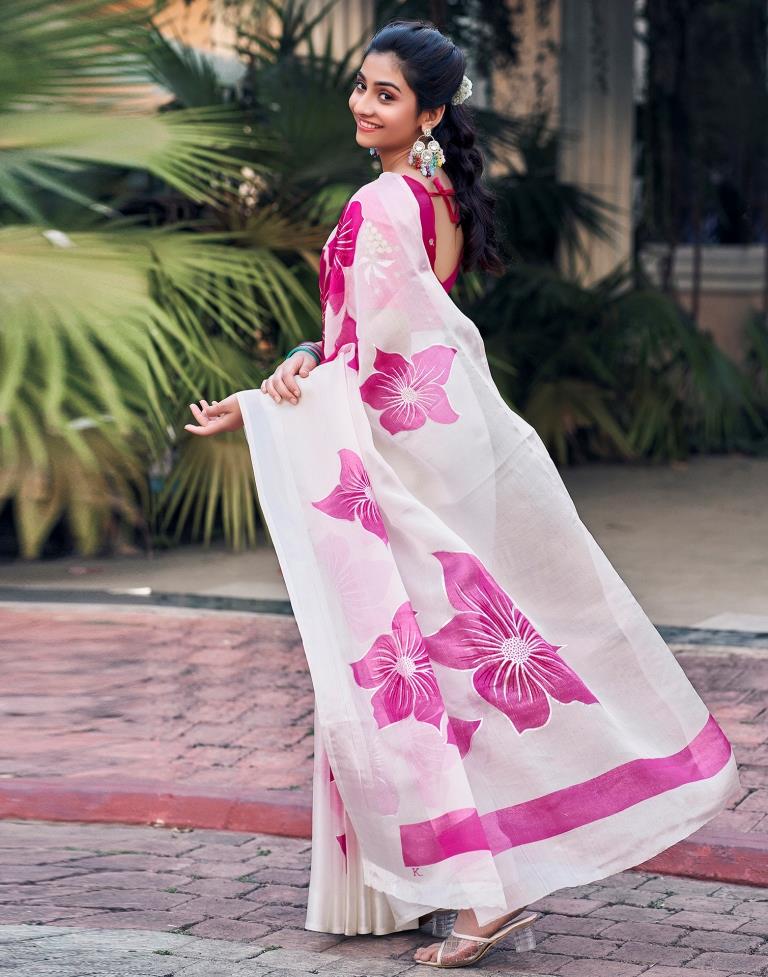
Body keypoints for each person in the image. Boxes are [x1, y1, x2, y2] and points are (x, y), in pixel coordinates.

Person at [184, 19, 741, 971]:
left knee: (428, 679)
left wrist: (266, 395)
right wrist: (302, 364)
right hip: (426, 455)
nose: (363, 104)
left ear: (431, 112)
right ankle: (434, 882)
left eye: (386, 95)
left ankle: (485, 896)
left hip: (396, 470)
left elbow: (369, 358)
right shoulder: (435, 197)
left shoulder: (380, 202)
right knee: (453, 671)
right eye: (362, 86)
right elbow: (382, 343)